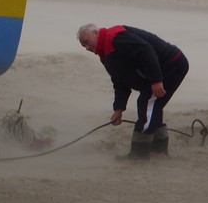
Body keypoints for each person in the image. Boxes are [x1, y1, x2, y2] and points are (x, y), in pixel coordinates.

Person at [77, 23, 189, 160]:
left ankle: (139, 154)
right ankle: (159, 150)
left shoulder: (114, 38)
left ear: (96, 33)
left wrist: (156, 80)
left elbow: (146, 51)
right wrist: (118, 108)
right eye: (84, 46)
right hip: (158, 70)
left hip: (172, 64)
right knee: (153, 106)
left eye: (87, 42)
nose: (87, 48)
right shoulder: (104, 53)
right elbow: (119, 80)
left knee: (146, 103)